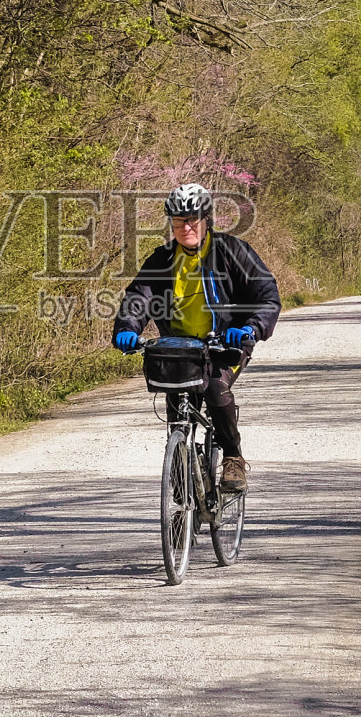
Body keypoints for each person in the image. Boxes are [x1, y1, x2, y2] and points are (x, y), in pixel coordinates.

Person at [112, 183, 280, 489]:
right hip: (180, 351)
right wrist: (127, 328)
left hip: (225, 346)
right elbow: (138, 298)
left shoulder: (233, 252)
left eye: (192, 220)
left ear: (206, 220)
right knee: (177, 414)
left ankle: (232, 457)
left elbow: (267, 297)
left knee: (215, 387)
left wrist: (249, 329)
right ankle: (179, 497)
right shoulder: (161, 260)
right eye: (178, 222)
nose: (185, 227)